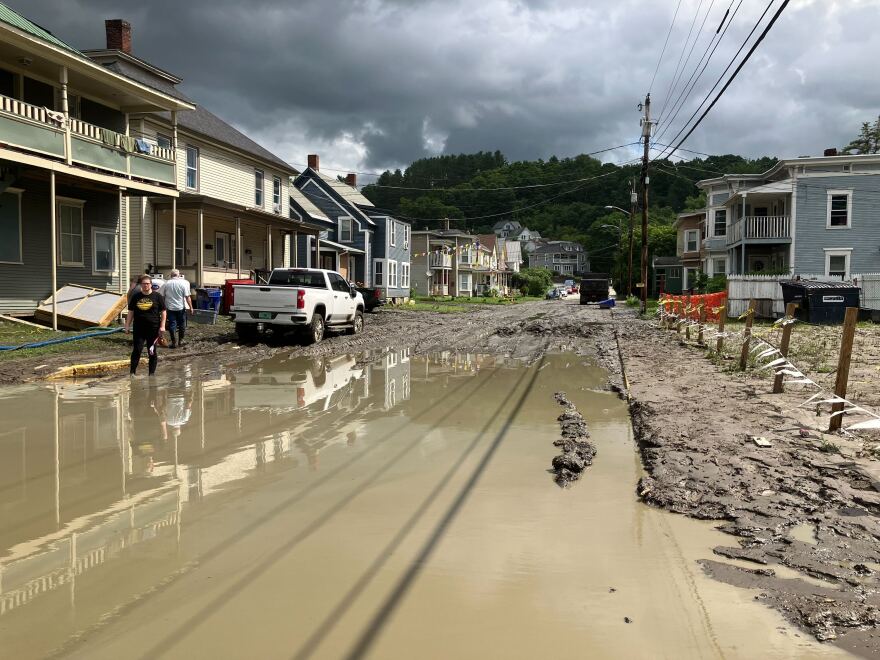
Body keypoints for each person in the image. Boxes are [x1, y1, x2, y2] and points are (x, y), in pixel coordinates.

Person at [126, 274, 166, 375]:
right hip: (139, 328)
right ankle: (132, 373)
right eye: (143, 284)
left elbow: (164, 312)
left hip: (153, 328)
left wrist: (162, 326)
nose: (145, 286)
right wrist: (127, 325)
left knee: (151, 351)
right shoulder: (136, 296)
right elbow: (131, 312)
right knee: (137, 350)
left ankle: (151, 375)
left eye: (147, 284)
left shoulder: (157, 296)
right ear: (141, 285)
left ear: (151, 285)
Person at [162, 269, 193, 348]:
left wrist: (161, 307)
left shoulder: (166, 284)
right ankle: (181, 341)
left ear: (171, 275)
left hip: (170, 308)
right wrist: (191, 307)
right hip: (180, 307)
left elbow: (162, 296)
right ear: (178, 275)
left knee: (172, 324)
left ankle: (173, 342)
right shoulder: (183, 284)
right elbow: (187, 297)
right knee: (182, 324)